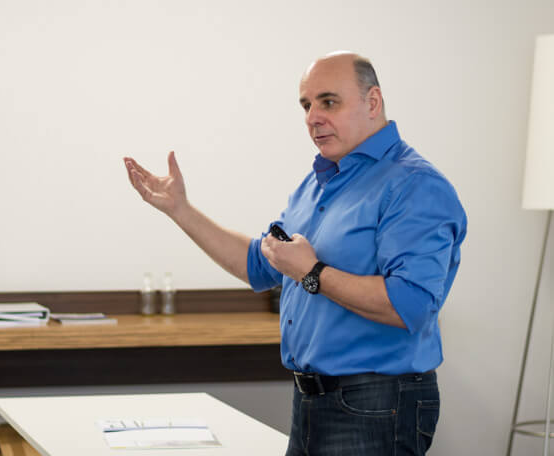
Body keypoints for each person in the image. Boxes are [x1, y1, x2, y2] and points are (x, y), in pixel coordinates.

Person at [123, 52, 467, 456]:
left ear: (372, 102)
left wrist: (312, 272)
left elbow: (411, 305)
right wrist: (181, 210)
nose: (313, 118)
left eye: (328, 102)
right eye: (306, 105)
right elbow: (259, 264)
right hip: (310, 402)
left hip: (376, 404)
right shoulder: (319, 181)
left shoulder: (414, 185)